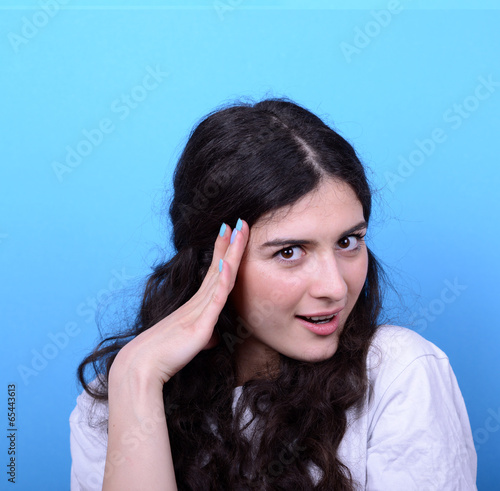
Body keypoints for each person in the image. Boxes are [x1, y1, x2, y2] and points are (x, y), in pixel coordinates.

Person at [70, 98, 477, 490]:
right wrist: (136, 377)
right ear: (212, 261)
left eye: (348, 242)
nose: (334, 287)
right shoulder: (116, 402)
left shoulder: (397, 374)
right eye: (289, 252)